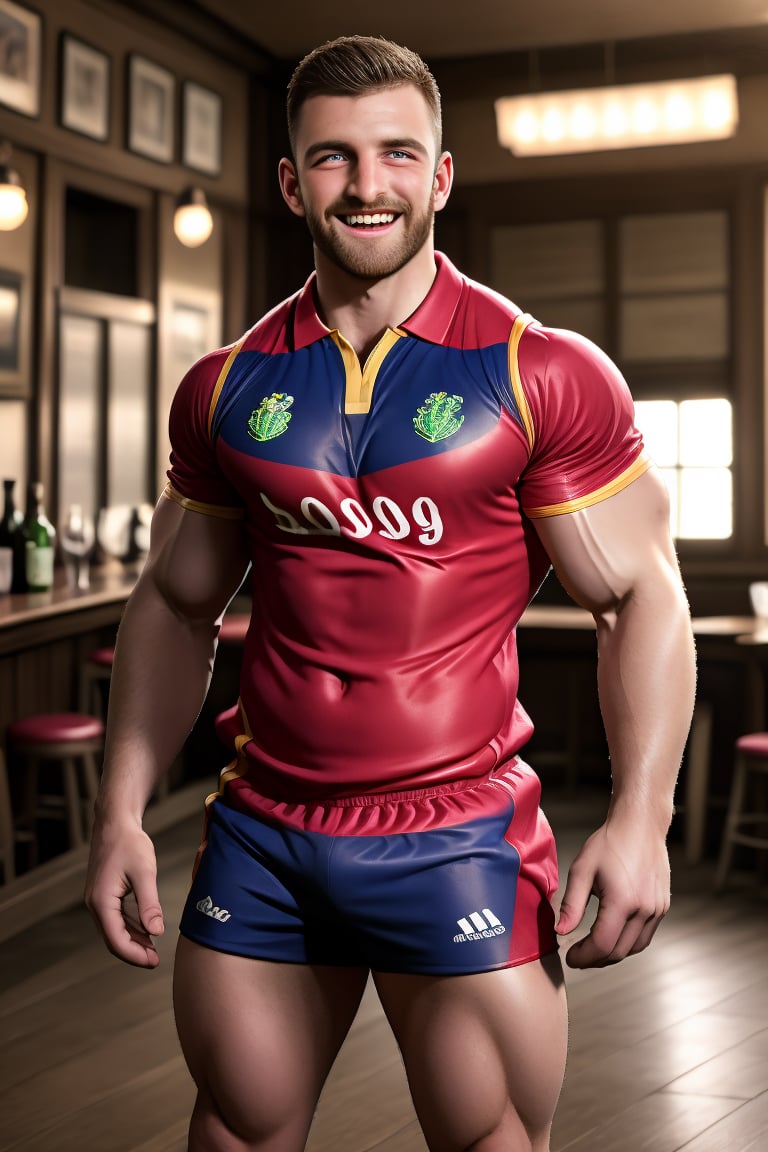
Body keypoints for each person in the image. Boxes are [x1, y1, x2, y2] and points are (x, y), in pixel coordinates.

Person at [85, 33, 697, 1152]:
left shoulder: (535, 370)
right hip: (265, 827)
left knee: (492, 1140)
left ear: (441, 176)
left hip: (456, 831)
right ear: (291, 181)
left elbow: (643, 597)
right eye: (333, 158)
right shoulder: (227, 387)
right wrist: (121, 809)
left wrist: (642, 820)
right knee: (238, 1128)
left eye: (397, 154)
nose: (367, 185)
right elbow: (174, 605)